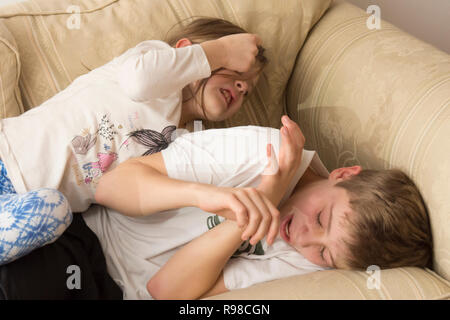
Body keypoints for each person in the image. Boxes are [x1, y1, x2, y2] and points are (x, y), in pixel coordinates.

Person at [0, 17, 269, 266]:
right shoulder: (149, 62)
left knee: (56, 211)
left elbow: (136, 191)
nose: (242, 87)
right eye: (237, 72)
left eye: (248, 89)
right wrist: (222, 50)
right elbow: (139, 81)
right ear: (187, 50)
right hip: (8, 155)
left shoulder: (186, 142)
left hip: (27, 206)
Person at [89, 116, 433, 299]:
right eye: (320, 218)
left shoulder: (315, 262)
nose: (303, 239)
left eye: (325, 254)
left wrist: (266, 197)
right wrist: (202, 195)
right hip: (90, 244)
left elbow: (166, 290)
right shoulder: (266, 151)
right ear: (342, 175)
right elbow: (109, 188)